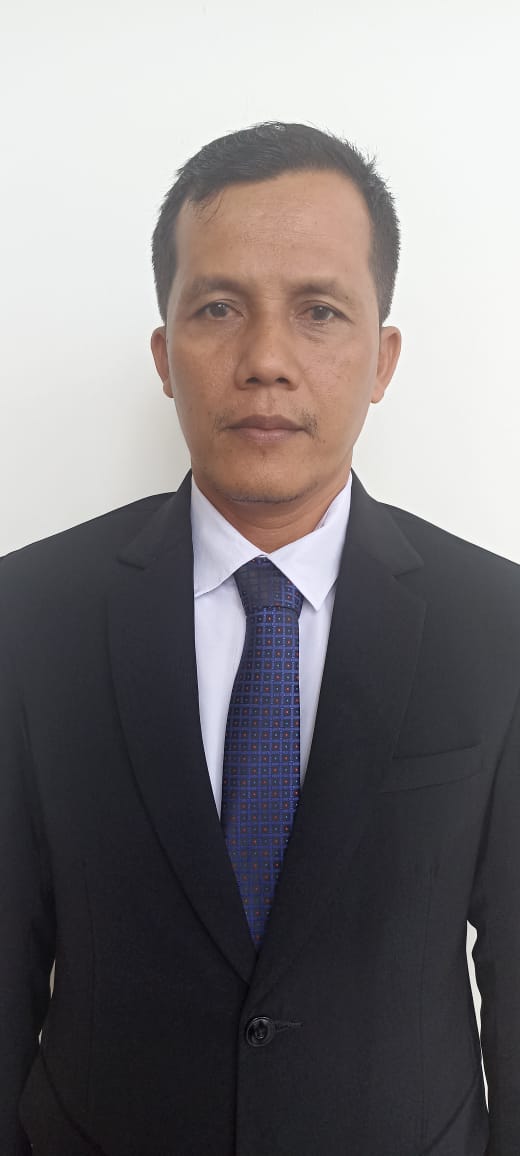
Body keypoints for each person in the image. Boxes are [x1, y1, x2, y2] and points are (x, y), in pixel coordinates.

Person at [1, 120, 518, 1156]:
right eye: (218, 308)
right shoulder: (29, 614)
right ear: (164, 354)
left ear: (382, 359)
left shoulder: (496, 622)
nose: (266, 361)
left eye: (318, 311)